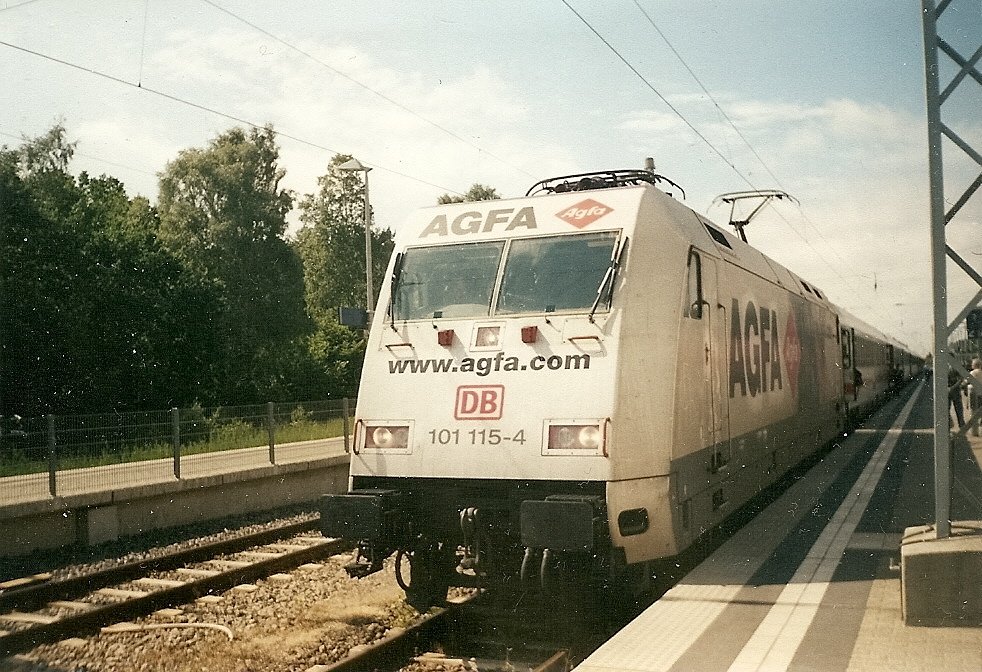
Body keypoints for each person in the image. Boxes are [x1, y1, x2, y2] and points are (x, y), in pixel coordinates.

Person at [969, 358, 982, 437]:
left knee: (973, 411)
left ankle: (974, 431)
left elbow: (967, 381)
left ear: (975, 365)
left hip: (974, 393)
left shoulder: (973, 372)